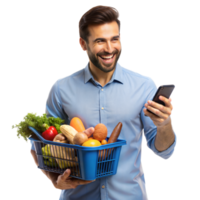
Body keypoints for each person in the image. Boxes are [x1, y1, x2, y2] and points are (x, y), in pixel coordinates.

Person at [29, 5, 178, 200]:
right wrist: (53, 179)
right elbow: (39, 146)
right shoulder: (61, 89)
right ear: (82, 43)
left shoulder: (144, 85)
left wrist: (164, 123)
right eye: (100, 41)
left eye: (114, 39)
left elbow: (165, 152)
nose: (109, 49)